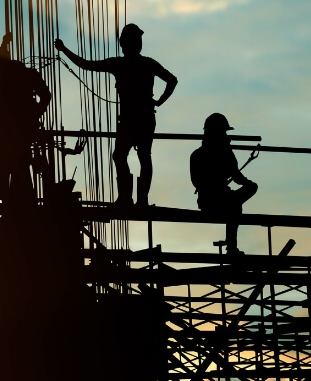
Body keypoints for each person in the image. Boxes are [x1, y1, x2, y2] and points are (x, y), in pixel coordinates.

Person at [56, 23, 177, 208]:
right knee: (141, 156)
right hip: (143, 118)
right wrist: (159, 101)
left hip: (130, 119)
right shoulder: (147, 64)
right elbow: (172, 80)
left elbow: (86, 65)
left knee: (122, 156)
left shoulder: (120, 64)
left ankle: (127, 199)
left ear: (123, 44)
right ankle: (138, 200)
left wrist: (64, 50)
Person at [0, 32, 52, 210]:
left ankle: (8, 212)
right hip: (13, 137)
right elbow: (46, 96)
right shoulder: (20, 77)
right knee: (10, 175)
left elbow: (45, 96)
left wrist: (33, 116)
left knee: (5, 175)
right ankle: (14, 211)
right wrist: (34, 115)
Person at [190, 113, 258, 254]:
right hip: (212, 201)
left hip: (210, 200)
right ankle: (231, 247)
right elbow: (235, 175)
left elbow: (234, 174)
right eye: (223, 131)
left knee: (235, 202)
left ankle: (231, 246)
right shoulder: (206, 154)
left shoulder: (198, 154)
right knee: (235, 205)